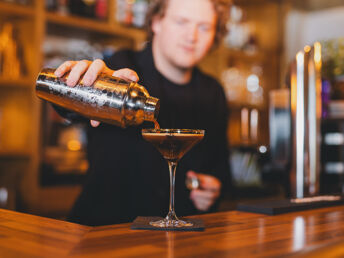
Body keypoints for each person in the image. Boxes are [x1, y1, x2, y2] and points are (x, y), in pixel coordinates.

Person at [54, 0, 231, 226]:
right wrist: (81, 85)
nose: (192, 36)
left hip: (177, 242)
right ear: (156, 21)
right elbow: (67, 107)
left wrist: (212, 190)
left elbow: (222, 172)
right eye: (181, 22)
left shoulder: (213, 93)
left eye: (204, 27)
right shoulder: (120, 70)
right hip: (103, 234)